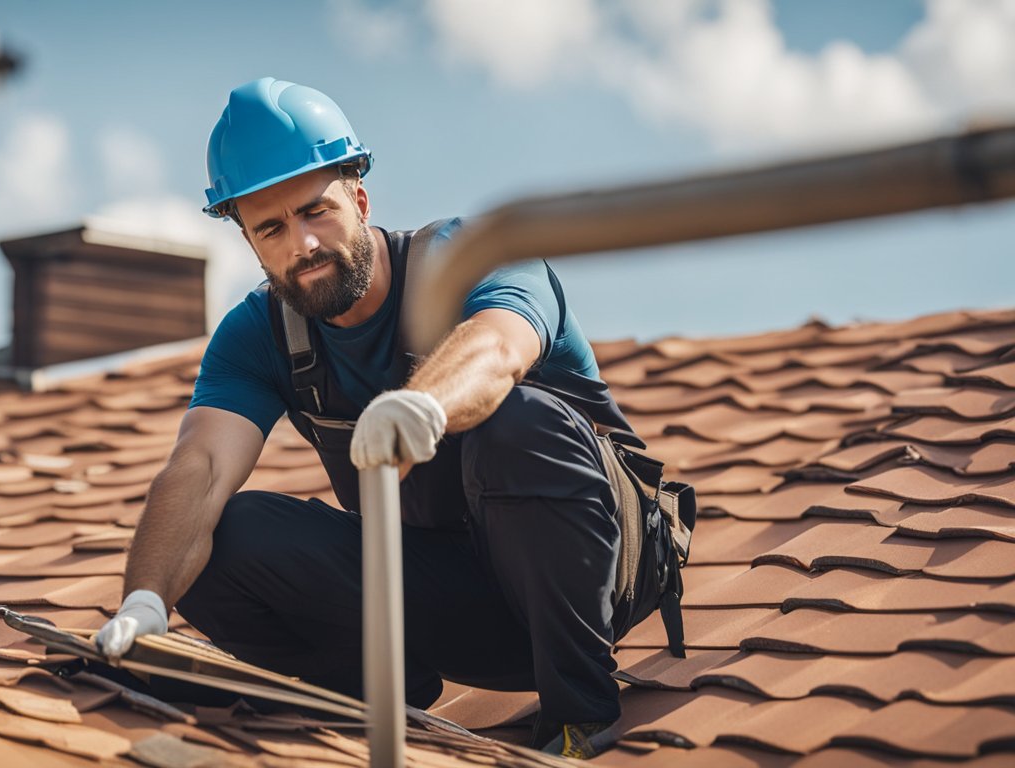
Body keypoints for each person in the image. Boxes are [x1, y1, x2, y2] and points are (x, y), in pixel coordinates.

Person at [95, 77, 644, 758]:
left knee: (515, 421)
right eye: (271, 228)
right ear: (251, 243)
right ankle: (372, 687)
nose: (302, 244)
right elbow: (201, 467)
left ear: (359, 199)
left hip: (590, 585)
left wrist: (423, 407)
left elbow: (499, 347)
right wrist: (147, 599)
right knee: (220, 533)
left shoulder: (466, 258)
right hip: (448, 599)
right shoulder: (258, 334)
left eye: (315, 211)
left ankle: (578, 714)